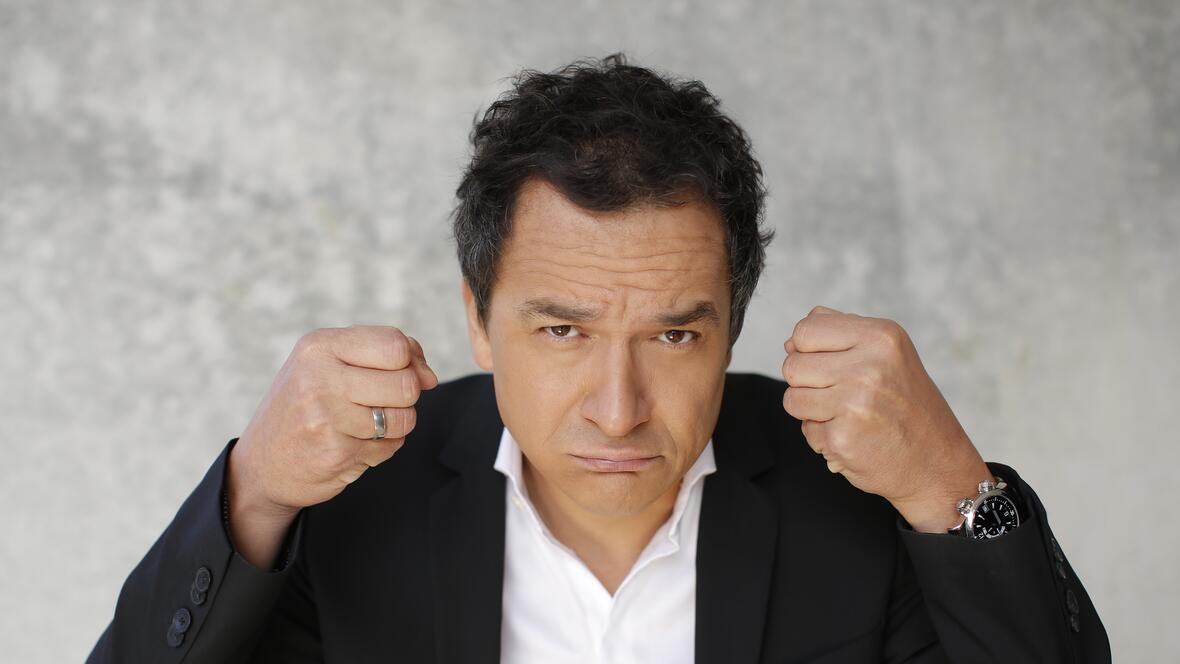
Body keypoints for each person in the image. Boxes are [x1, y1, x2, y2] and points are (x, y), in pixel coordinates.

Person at [86, 54, 1110, 663]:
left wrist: (952, 487)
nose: (618, 410)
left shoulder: (853, 503)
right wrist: (255, 492)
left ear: (734, 325)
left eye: (674, 335)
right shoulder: (361, 500)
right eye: (562, 331)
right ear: (478, 319)